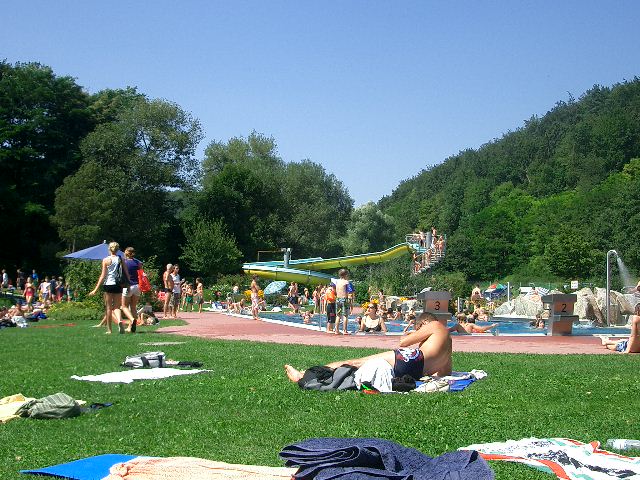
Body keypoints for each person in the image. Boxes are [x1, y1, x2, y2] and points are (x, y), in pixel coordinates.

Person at [285, 312, 453, 383]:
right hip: (414, 372)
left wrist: (409, 333)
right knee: (358, 371)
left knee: (356, 362)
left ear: (424, 323)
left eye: (419, 329)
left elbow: (403, 343)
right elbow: (445, 374)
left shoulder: (434, 325)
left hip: (411, 358)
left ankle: (303, 375)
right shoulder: (448, 344)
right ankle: (320, 378)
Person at [89, 241, 130, 334]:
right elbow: (126, 273)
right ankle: (119, 320)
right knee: (116, 307)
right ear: (118, 249)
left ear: (109, 249)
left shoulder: (105, 260)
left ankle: (109, 330)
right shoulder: (121, 259)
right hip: (118, 284)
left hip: (108, 284)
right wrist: (129, 282)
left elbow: (103, 276)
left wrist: (95, 289)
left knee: (108, 308)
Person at [122, 247, 142, 333]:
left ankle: (132, 319)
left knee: (124, 306)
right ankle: (130, 327)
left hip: (127, 286)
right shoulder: (138, 263)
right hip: (137, 286)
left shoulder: (124, 262)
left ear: (126, 252)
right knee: (133, 307)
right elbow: (141, 274)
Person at [334, 269, 353, 335]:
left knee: (338, 315)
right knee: (345, 316)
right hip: (344, 299)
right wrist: (350, 301)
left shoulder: (337, 281)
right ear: (345, 275)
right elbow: (350, 292)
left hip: (338, 299)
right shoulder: (346, 282)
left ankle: (336, 330)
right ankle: (345, 330)